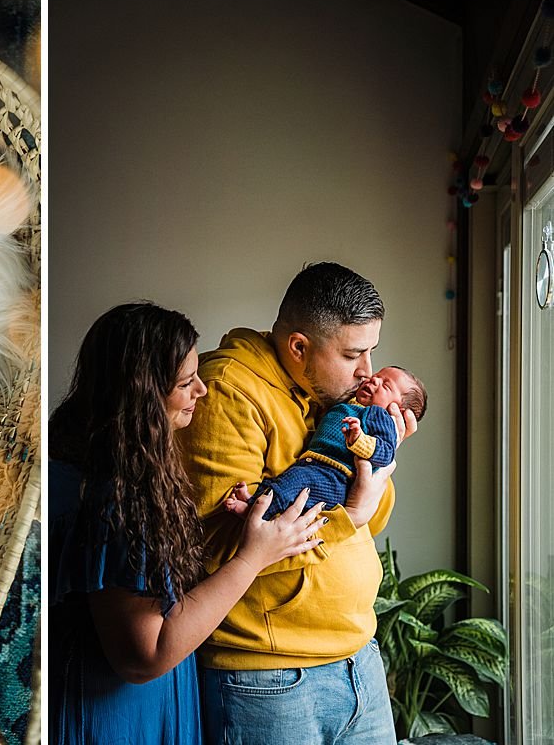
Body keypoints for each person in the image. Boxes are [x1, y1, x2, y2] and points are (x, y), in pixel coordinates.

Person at [49, 301, 329, 744]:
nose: (201, 390)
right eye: (185, 382)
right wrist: (254, 557)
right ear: (142, 396)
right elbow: (145, 656)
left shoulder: (85, 464)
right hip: (116, 716)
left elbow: (132, 579)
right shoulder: (115, 496)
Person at [178, 262, 418, 744]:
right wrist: (349, 513)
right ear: (300, 348)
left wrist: (382, 457)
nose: (368, 371)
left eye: (371, 351)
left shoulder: (331, 393)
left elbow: (371, 519)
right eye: (354, 354)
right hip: (270, 677)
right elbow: (218, 548)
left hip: (358, 658)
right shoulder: (229, 391)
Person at [236, 365, 427, 519]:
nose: (373, 379)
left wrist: (359, 440)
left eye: (386, 386)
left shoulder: (378, 415)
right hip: (317, 465)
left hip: (335, 476)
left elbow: (385, 453)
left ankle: (255, 514)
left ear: (398, 411)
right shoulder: (349, 405)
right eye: (377, 375)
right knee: (284, 481)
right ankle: (254, 500)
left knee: (294, 484)